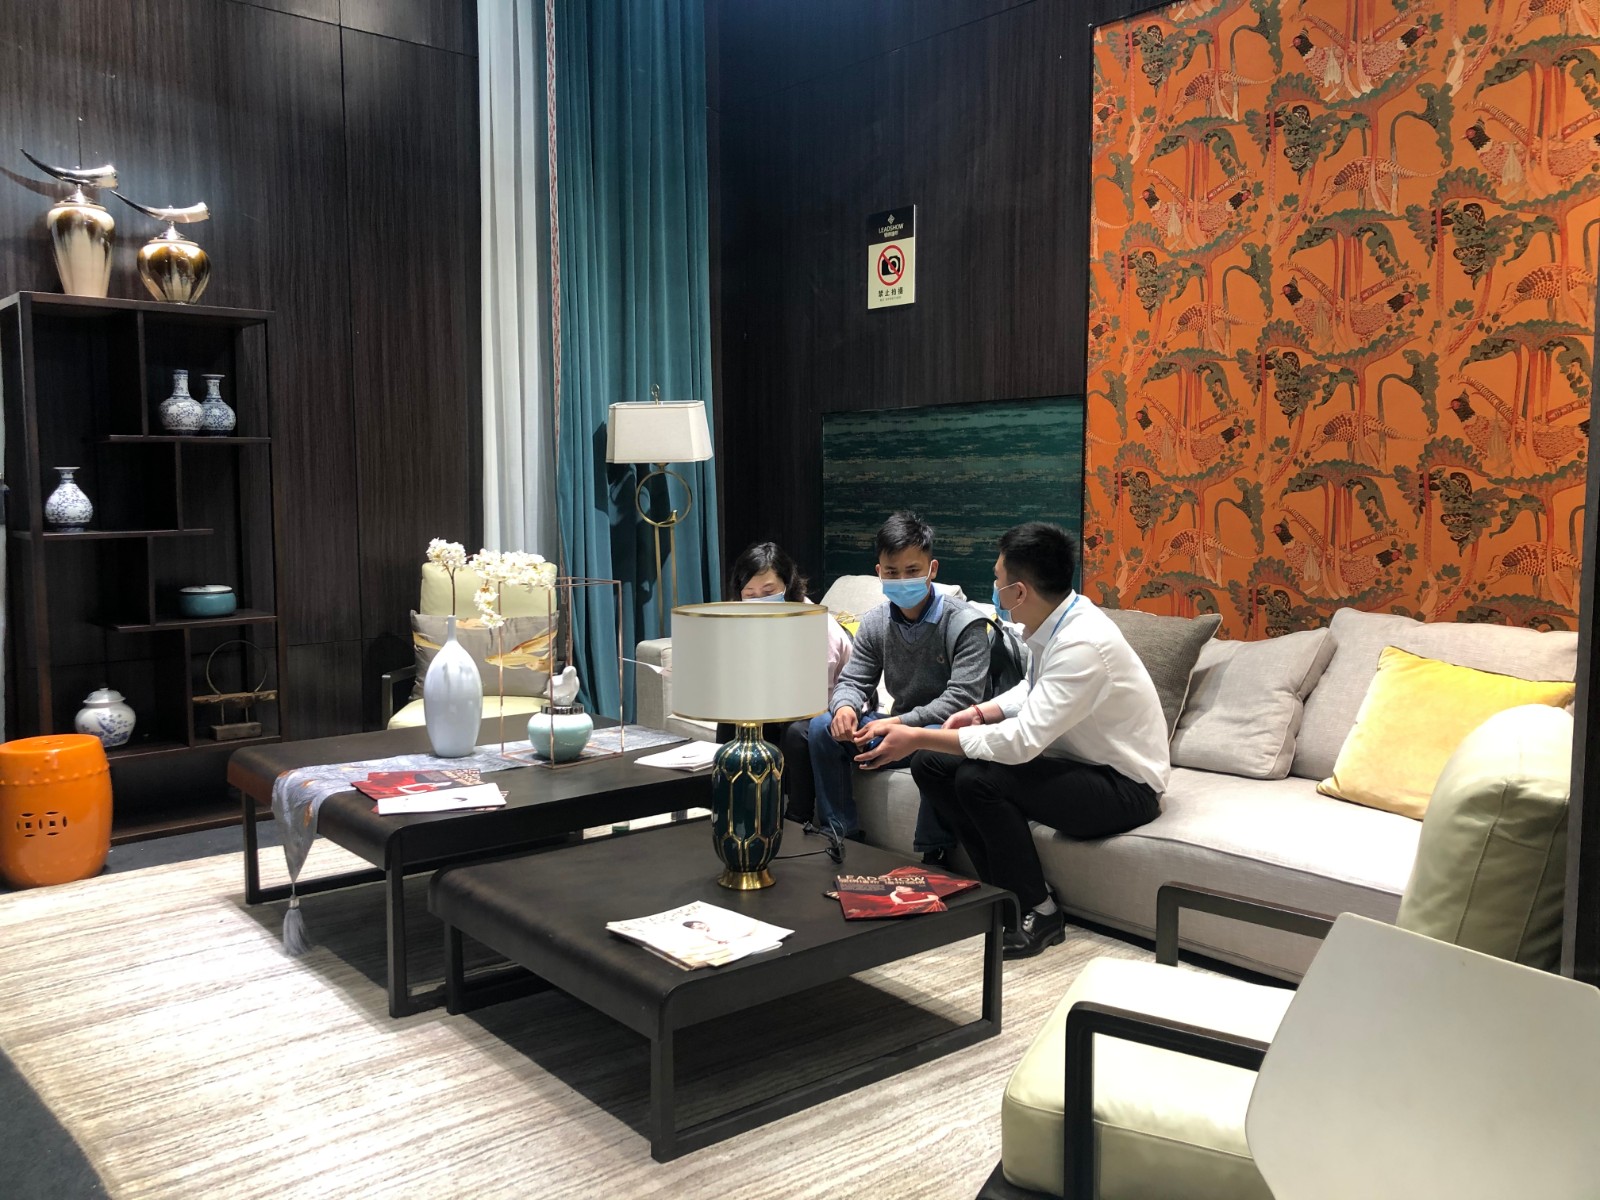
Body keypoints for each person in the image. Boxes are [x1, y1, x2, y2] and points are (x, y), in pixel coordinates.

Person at [855, 522, 1167, 960]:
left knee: (979, 780)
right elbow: (1035, 687)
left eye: (998, 578)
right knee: (931, 764)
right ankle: (1000, 890)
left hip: (1124, 788)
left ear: (1019, 592)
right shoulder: (1058, 619)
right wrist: (983, 712)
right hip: (1078, 764)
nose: (994, 587)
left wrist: (917, 735)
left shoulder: (1082, 643)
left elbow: (1022, 743)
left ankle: (1040, 910)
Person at [806, 511, 990, 857]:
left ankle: (935, 852)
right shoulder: (876, 622)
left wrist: (902, 724)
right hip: (896, 727)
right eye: (892, 572)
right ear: (879, 572)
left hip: (946, 731)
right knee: (821, 727)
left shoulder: (966, 623)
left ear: (932, 569)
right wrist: (844, 707)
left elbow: (962, 699)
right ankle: (840, 834)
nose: (902, 580)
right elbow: (853, 679)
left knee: (936, 744)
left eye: (912, 570)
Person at [715, 541, 853, 825]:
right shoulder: (747, 621)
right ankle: (729, 804)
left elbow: (817, 699)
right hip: (781, 702)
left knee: (795, 731)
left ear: (787, 585)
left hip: (830, 707)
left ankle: (797, 816)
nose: (759, 601)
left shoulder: (817, 625)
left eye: (768, 593)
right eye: (750, 595)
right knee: (732, 719)